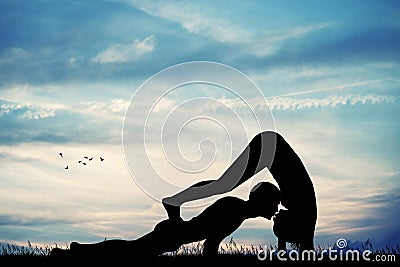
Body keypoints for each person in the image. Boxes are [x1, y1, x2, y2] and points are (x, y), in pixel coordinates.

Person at [162, 131, 317, 251]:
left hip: (269, 146)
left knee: (224, 184)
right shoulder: (304, 206)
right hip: (269, 146)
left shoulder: (300, 209)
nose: (276, 214)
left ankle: (175, 201)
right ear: (293, 225)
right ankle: (174, 201)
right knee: (224, 185)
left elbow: (290, 240)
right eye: (279, 220)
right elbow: (305, 249)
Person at [51, 182, 280, 258]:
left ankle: (77, 251)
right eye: (274, 203)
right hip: (173, 233)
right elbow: (210, 242)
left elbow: (210, 241)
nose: (276, 208)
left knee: (131, 250)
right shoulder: (235, 209)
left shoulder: (237, 209)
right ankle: (77, 252)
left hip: (175, 234)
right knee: (130, 253)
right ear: (262, 201)